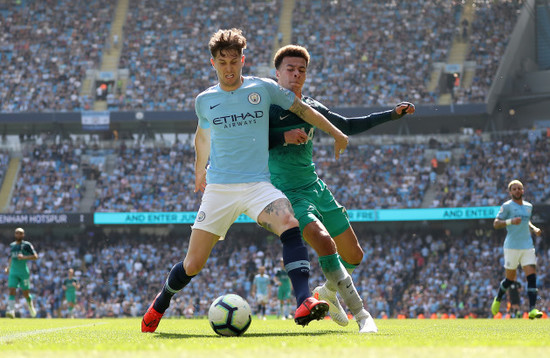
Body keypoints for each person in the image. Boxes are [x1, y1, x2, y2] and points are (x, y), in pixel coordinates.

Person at [142, 28, 349, 333]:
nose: (229, 68)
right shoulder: (205, 100)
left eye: (234, 61)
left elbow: (303, 109)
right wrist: (199, 170)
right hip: (220, 189)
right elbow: (202, 136)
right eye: (222, 62)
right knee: (193, 264)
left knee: (290, 224)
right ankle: (161, 302)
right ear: (213, 63)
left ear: (243, 59)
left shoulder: (263, 88)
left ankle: (304, 300)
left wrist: (337, 132)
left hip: (257, 185)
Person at [268, 45, 415, 332]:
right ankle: (363, 316)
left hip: (316, 188)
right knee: (325, 243)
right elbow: (249, 141)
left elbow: (347, 124)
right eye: (290, 69)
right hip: (288, 194)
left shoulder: (311, 108)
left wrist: (392, 115)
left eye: (301, 70)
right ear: (277, 74)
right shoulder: (267, 109)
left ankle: (328, 292)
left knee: (354, 256)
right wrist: (283, 136)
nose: (296, 74)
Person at [491, 179, 543, 319]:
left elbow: (527, 222)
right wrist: (510, 221)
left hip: (527, 245)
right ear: (510, 192)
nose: (517, 191)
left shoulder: (528, 206)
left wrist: (534, 228)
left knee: (531, 277)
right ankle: (498, 298)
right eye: (514, 189)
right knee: (509, 279)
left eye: (519, 188)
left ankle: (532, 309)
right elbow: (496, 223)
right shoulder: (507, 206)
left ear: (523, 190)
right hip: (511, 247)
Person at [4, 228, 38, 318]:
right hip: (13, 272)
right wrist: (8, 267)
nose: (18, 235)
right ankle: (11, 310)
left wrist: (24, 257)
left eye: (20, 233)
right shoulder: (12, 245)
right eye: (17, 233)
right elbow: (11, 257)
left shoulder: (26, 245)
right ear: (15, 234)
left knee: (25, 293)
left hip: (23, 272)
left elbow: (35, 256)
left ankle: (31, 306)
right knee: (12, 289)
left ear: (23, 235)